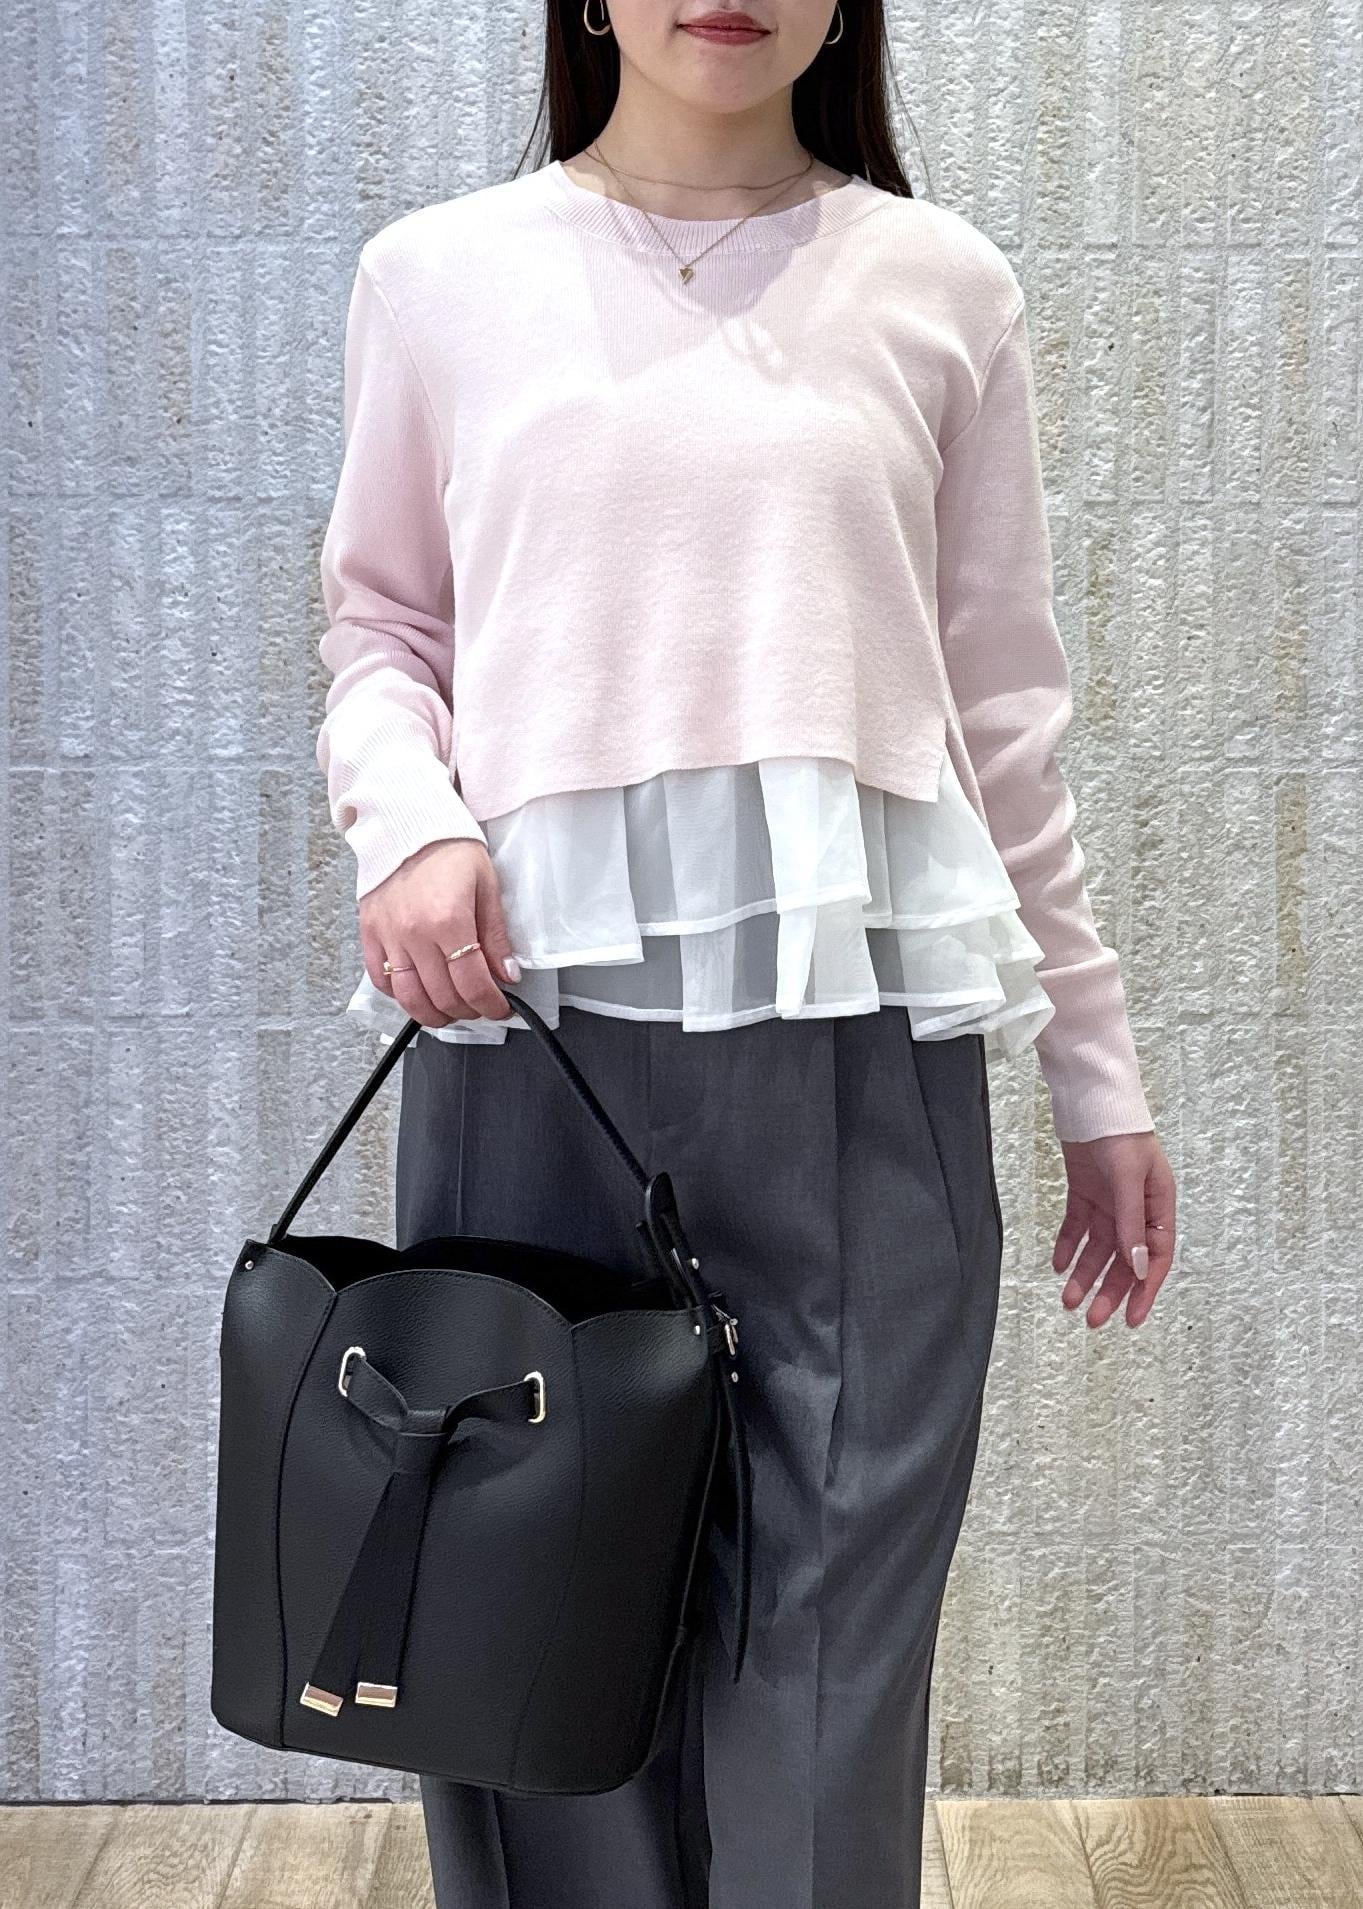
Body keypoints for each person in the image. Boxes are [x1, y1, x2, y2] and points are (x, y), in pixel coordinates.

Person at [312, 3, 1179, 1903]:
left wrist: (1095, 1073)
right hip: (529, 1038)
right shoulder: (438, 278)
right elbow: (384, 629)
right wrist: (413, 823)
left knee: (831, 1644)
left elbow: (1002, 717)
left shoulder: (941, 286)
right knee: (528, 1627)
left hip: (865, 1050)